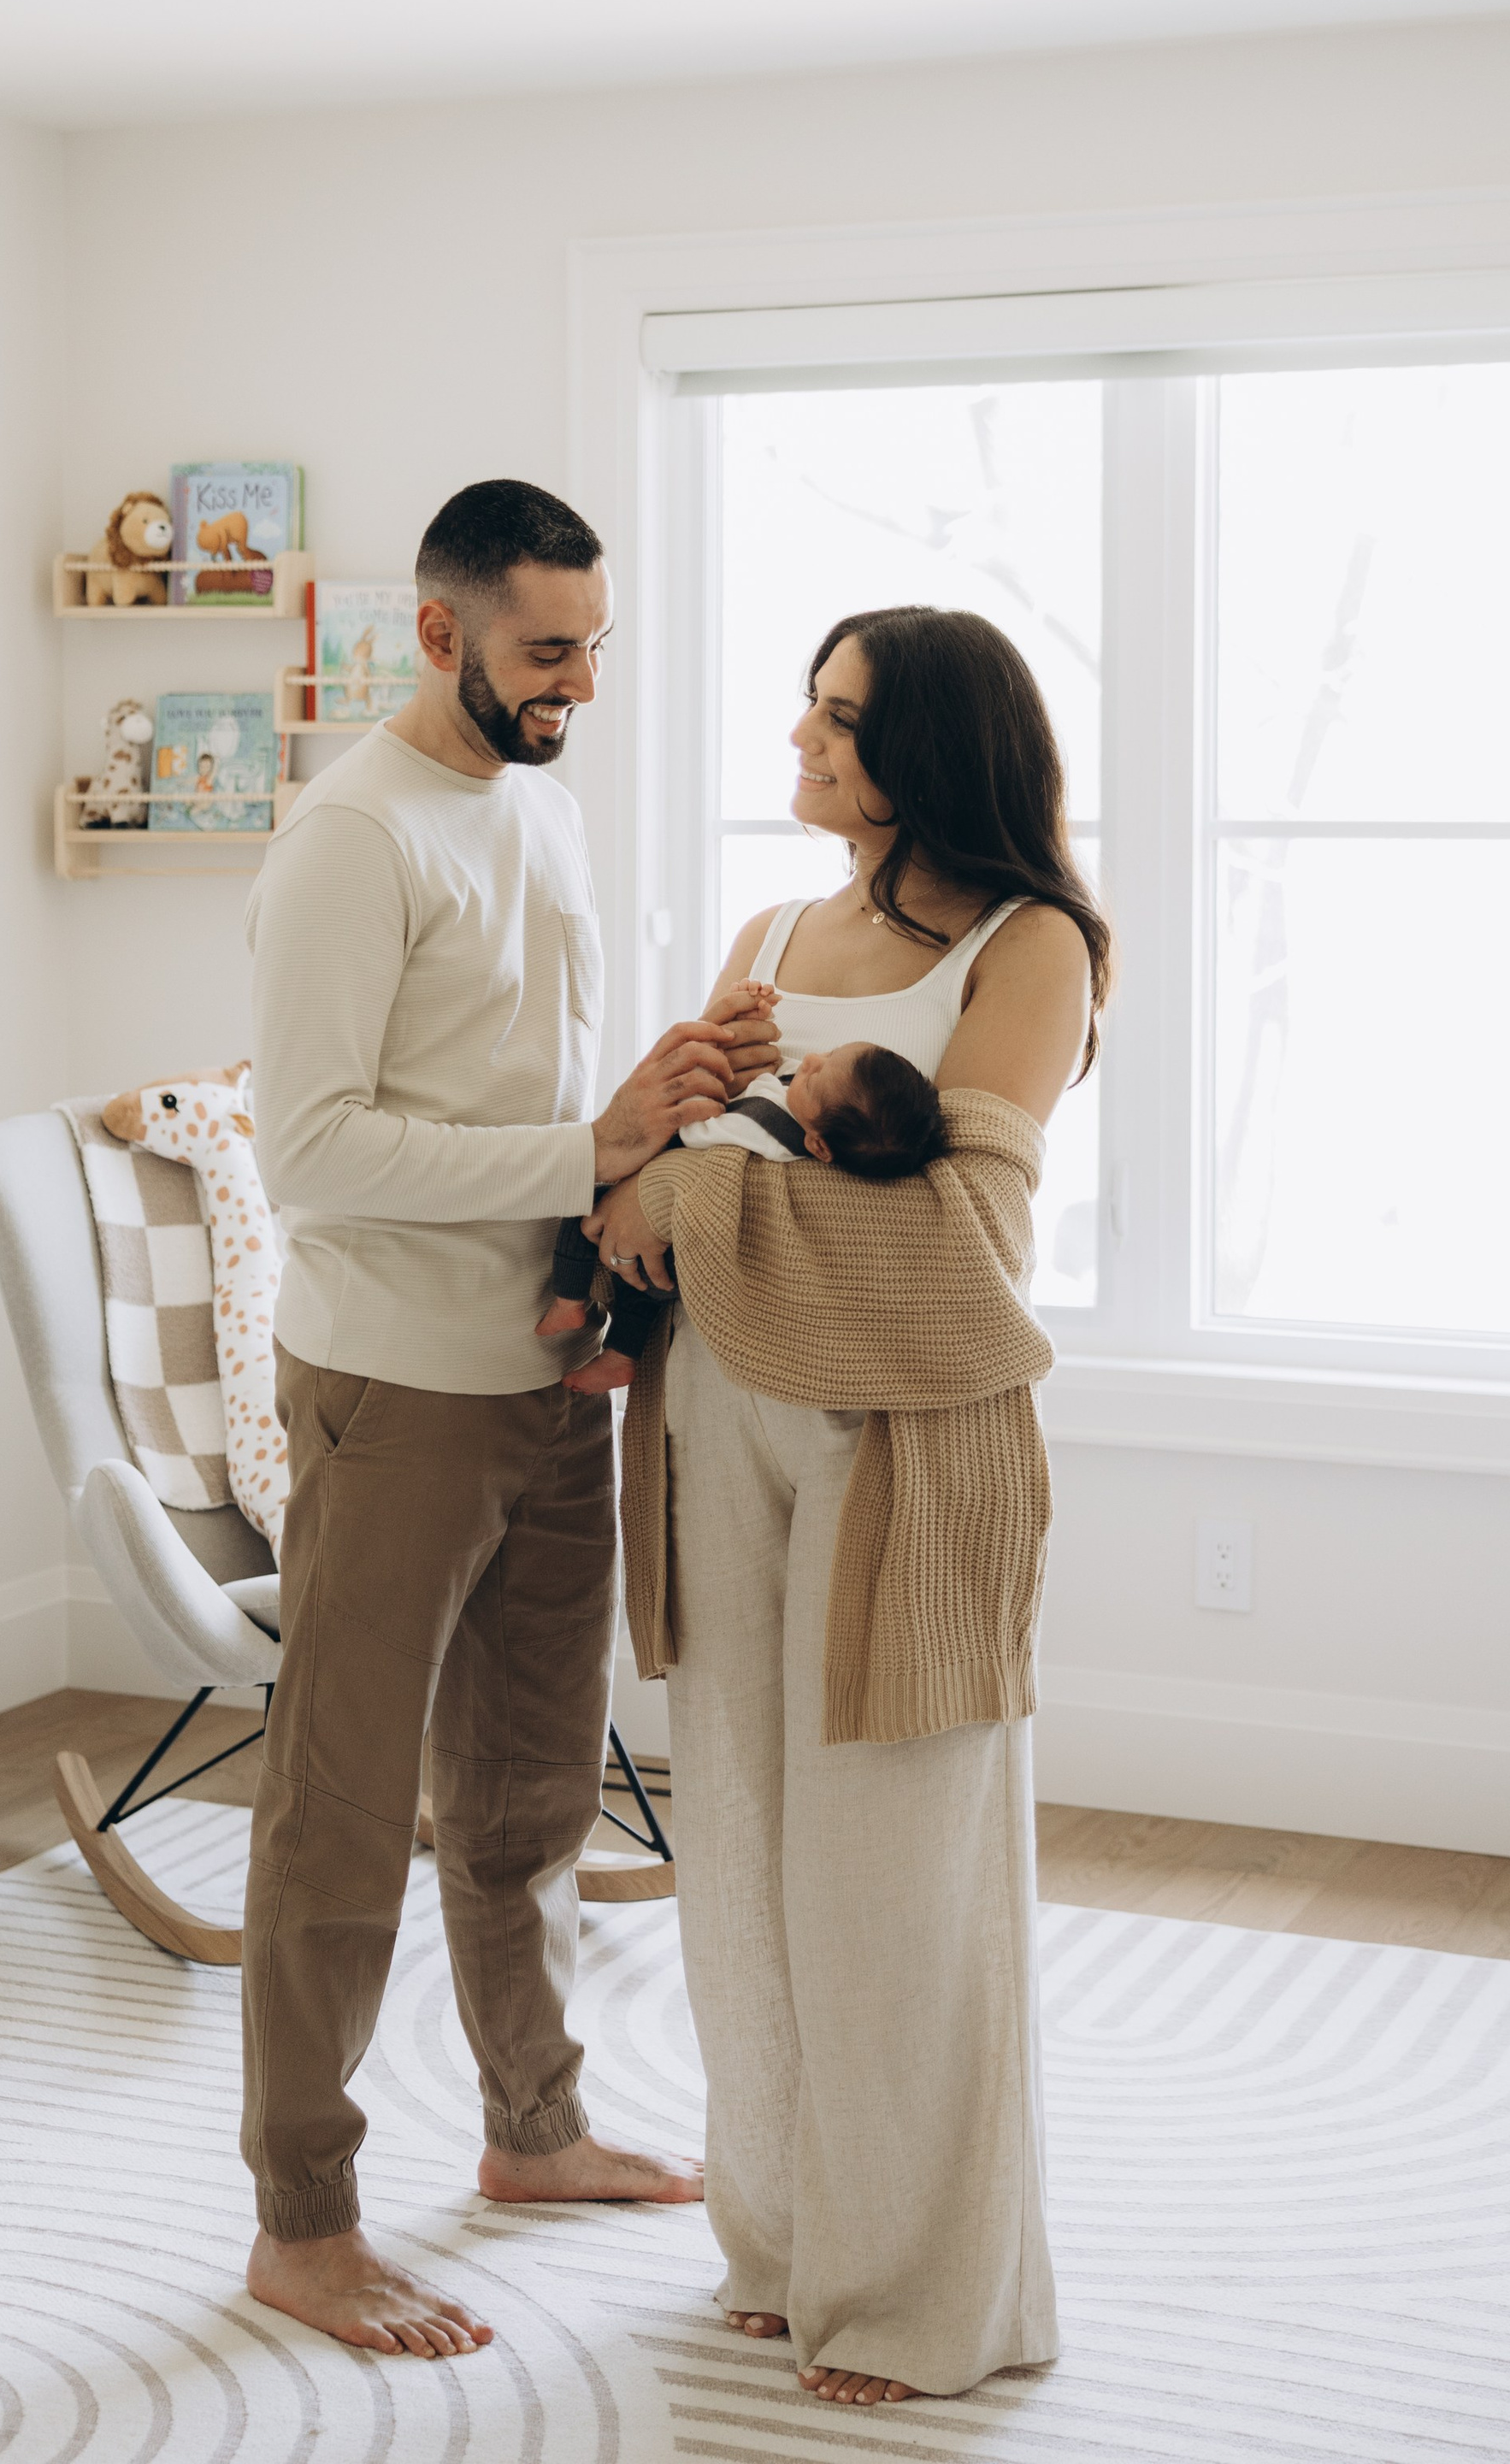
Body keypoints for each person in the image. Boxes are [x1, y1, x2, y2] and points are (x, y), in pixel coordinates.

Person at [239, 476, 776, 2362]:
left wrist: (621, 1195)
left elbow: (531, 1081)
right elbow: (304, 1154)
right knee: (337, 1815)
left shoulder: (532, 803)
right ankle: (301, 2224)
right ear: (440, 631)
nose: (581, 683)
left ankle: (531, 2130)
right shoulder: (347, 841)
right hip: (393, 1392)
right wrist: (596, 1136)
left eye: (596, 647)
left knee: (530, 1798)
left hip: (554, 1377)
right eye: (549, 651)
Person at [587, 604, 1112, 2409]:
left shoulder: (1029, 946)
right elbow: (655, 1161)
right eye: (806, 710)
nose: (800, 743)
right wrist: (644, 1168)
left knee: (892, 1866)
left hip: (907, 1436)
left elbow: (960, 1252)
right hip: (713, 1401)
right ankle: (787, 2240)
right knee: (732, 1836)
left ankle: (918, 2294)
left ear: (931, 754)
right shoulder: (765, 934)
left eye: (839, 721)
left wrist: (691, 1204)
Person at [540, 1031, 951, 1385]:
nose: (809, 1059)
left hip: (673, 1229)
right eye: (829, 1054)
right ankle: (621, 1358)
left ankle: (569, 1299)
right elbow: (783, 1070)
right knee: (645, 1297)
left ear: (819, 1147)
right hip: (678, 1245)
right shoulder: (813, 1110)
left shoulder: (768, 1129)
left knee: (583, 1207)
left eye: (814, 1076)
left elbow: (697, 1132)